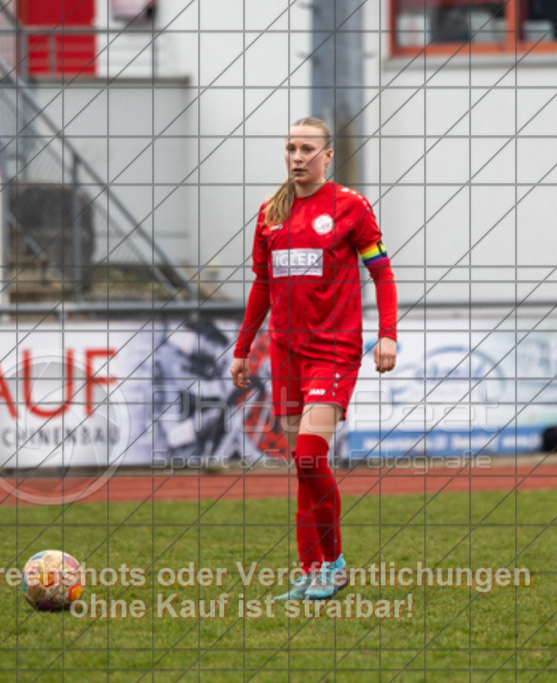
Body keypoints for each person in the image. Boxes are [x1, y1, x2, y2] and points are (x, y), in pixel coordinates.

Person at [230, 117, 398, 601]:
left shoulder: (350, 207)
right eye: (290, 148)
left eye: (307, 148)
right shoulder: (269, 212)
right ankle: (310, 570)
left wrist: (387, 335)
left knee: (309, 455)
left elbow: (382, 275)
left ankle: (336, 563)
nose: (297, 156)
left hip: (334, 348)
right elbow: (262, 285)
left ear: (328, 156)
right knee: (301, 466)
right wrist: (243, 348)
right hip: (284, 351)